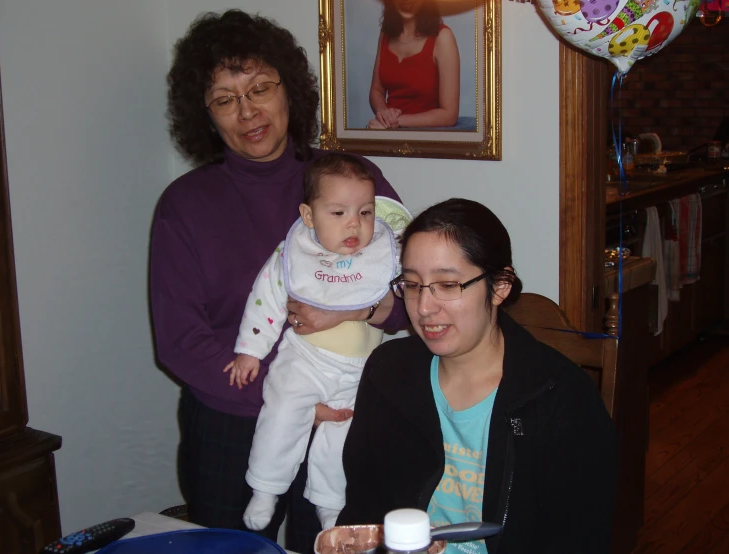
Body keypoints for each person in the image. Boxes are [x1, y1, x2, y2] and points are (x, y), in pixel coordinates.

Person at [150, 10, 406, 553]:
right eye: (224, 98)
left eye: (260, 88)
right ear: (206, 115)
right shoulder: (184, 205)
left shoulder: (354, 182)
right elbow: (179, 341)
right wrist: (283, 395)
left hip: (343, 406)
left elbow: (409, 295)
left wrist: (351, 315)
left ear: (290, 89)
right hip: (230, 418)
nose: (248, 111)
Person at [337, 199, 618, 553]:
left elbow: (578, 539)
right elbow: (363, 510)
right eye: (411, 284)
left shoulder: (559, 400)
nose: (423, 308)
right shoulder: (388, 374)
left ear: (499, 287)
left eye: (448, 285)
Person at [224, 153, 410, 532]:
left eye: (366, 212)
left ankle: (331, 511)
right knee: (282, 412)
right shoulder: (295, 253)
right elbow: (266, 298)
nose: (354, 224)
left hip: (360, 371)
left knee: (343, 441)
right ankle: (265, 487)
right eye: (338, 213)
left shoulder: (381, 252)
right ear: (308, 216)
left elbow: (408, 296)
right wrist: (249, 351)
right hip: (305, 359)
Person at [367, 0, 460, 129]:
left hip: (425, 138)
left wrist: (395, 122)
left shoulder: (443, 37)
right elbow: (376, 90)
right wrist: (384, 113)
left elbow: (449, 115)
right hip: (387, 130)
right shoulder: (386, 34)